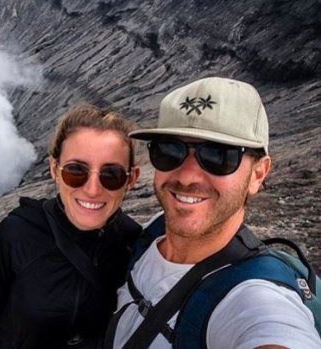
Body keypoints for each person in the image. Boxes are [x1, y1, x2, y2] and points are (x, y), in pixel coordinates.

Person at [110, 77, 321, 348]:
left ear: (259, 173)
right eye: (168, 150)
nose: (186, 176)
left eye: (219, 156)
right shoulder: (153, 230)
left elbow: (273, 331)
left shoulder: (255, 297)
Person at [0, 103, 142, 349]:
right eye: (75, 171)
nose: (92, 189)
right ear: (54, 170)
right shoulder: (18, 232)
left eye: (111, 174)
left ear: (131, 179)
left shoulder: (132, 241)